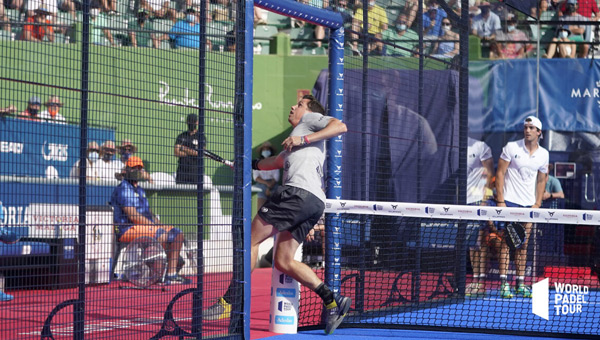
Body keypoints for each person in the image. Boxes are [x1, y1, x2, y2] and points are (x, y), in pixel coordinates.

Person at [203, 95, 349, 335]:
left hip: (296, 196)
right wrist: (247, 165)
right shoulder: (297, 147)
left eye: (299, 104)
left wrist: (302, 137)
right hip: (313, 203)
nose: (293, 106)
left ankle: (228, 301)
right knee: (283, 261)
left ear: (309, 111)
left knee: (250, 241)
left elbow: (340, 126)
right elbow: (273, 162)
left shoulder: (310, 122)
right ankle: (333, 300)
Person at [111, 156, 190, 284]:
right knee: (161, 234)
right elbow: (133, 216)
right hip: (126, 229)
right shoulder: (123, 189)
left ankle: (171, 274)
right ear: (127, 170)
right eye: (134, 168)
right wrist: (156, 227)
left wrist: (161, 224)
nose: (137, 171)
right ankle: (157, 275)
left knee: (177, 233)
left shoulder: (140, 189)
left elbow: (149, 214)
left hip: (146, 227)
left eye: (139, 168)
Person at [495, 116, 549, 299]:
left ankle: (520, 283)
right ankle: (503, 284)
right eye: (526, 127)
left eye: (531, 127)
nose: (527, 130)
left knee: (523, 244)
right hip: (509, 202)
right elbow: (500, 173)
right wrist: (501, 200)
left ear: (539, 132)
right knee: (506, 242)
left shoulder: (544, 154)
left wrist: (538, 203)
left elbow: (542, 179)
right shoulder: (511, 147)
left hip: (528, 206)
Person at [465, 137, 494, 297]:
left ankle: (481, 282)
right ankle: (474, 279)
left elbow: (490, 174)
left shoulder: (481, 146)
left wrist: (485, 199)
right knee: (471, 243)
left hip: (479, 200)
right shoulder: (453, 146)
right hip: (464, 202)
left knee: (480, 241)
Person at [174, 113, 205, 184]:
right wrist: (192, 152)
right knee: (180, 192)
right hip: (182, 171)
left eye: (193, 121)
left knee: (196, 193)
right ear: (187, 122)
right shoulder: (181, 136)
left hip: (195, 171)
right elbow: (176, 152)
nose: (191, 123)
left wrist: (183, 148)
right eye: (189, 121)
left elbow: (200, 153)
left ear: (197, 122)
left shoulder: (201, 137)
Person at [253, 141, 280, 209]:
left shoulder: (275, 161)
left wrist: (269, 187)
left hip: (273, 184)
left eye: (267, 149)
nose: (265, 151)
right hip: (261, 183)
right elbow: (256, 177)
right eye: (264, 149)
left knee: (275, 196)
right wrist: (266, 183)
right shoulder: (257, 162)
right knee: (261, 206)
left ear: (271, 151)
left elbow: (276, 177)